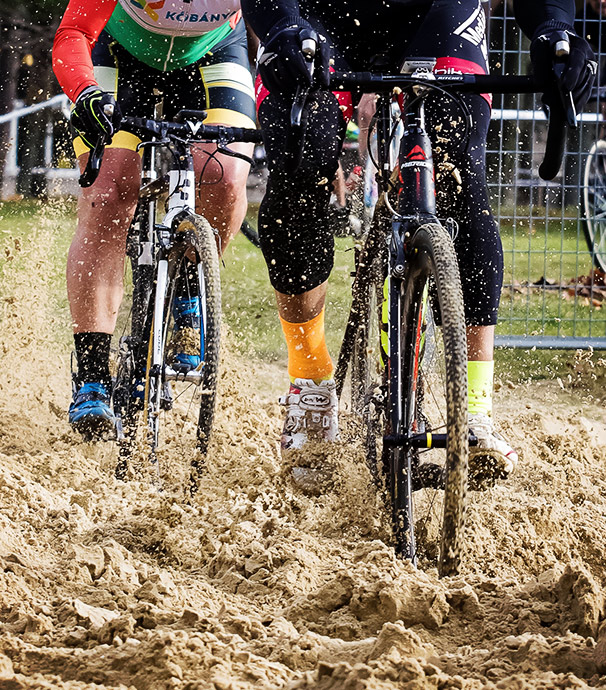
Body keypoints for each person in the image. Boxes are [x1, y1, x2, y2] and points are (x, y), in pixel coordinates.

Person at [241, 0, 596, 481]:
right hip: (322, 13)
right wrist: (281, 22)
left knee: (459, 172)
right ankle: (311, 385)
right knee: (302, 165)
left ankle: (473, 409)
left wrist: (554, 28)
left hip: (434, 12)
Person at [52, 0, 256, 439]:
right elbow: (73, 34)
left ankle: (188, 293)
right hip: (120, 53)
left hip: (213, 53)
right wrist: (85, 92)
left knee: (224, 177)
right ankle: (91, 376)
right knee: (108, 194)